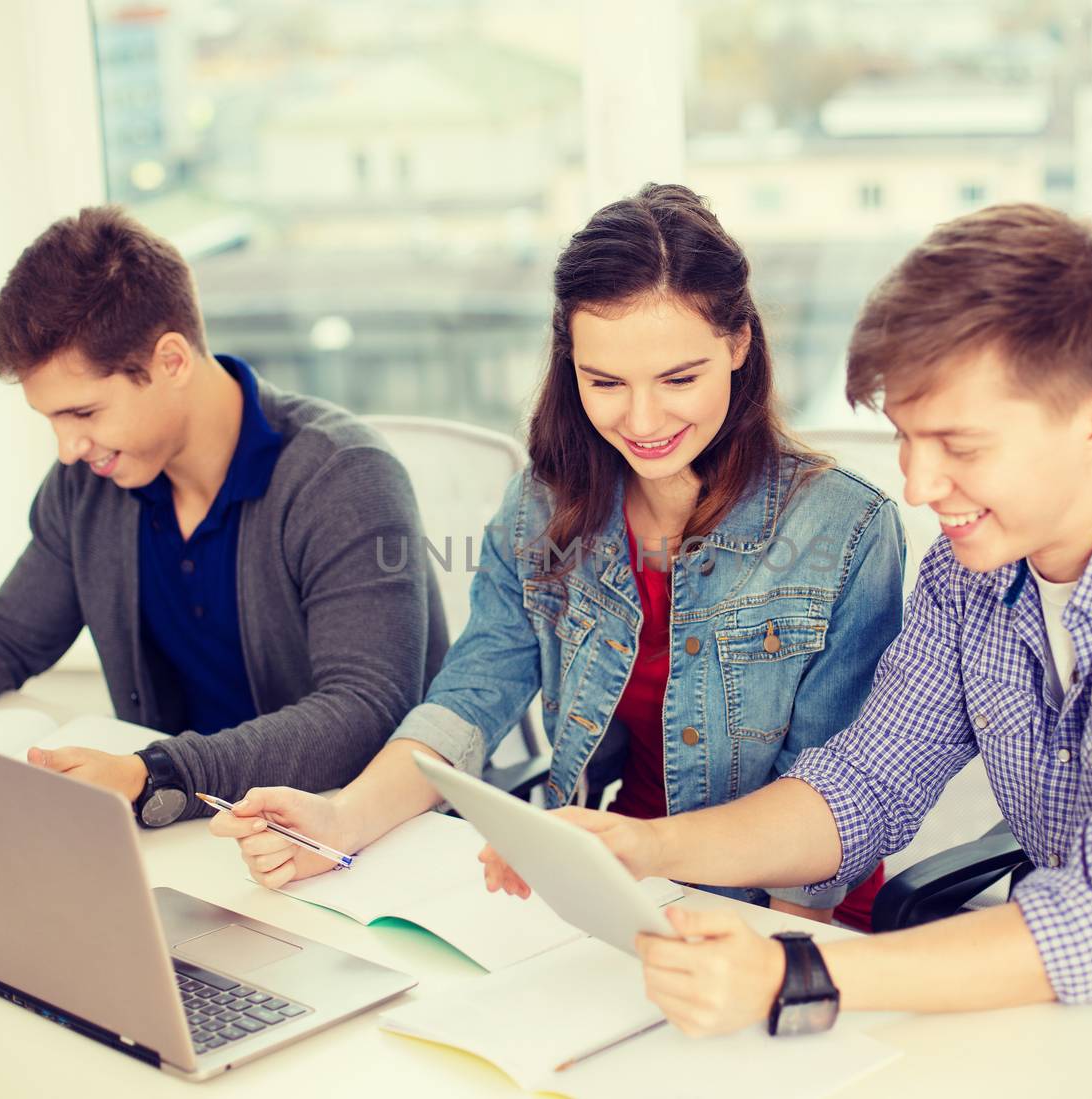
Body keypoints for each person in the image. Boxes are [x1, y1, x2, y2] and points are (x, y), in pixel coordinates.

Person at [480, 204, 1092, 1096]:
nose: (920, 486)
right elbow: (863, 784)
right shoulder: (979, 559)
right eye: (905, 439)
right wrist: (642, 845)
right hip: (1070, 1014)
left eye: (958, 445)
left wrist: (793, 974)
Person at [209, 182, 906, 920]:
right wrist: (340, 820)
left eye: (679, 379)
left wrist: (773, 967)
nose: (642, 420)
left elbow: (828, 802)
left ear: (738, 344)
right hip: (616, 884)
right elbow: (470, 699)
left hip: (787, 909)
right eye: (605, 381)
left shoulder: (847, 531)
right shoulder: (541, 509)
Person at [0, 206, 449, 827]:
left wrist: (158, 773)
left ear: (171, 361)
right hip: (194, 823)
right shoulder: (93, 483)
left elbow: (363, 709)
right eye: (51, 419)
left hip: (353, 832)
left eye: (83, 413)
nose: (67, 448)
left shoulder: (343, 476)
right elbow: (8, 635)